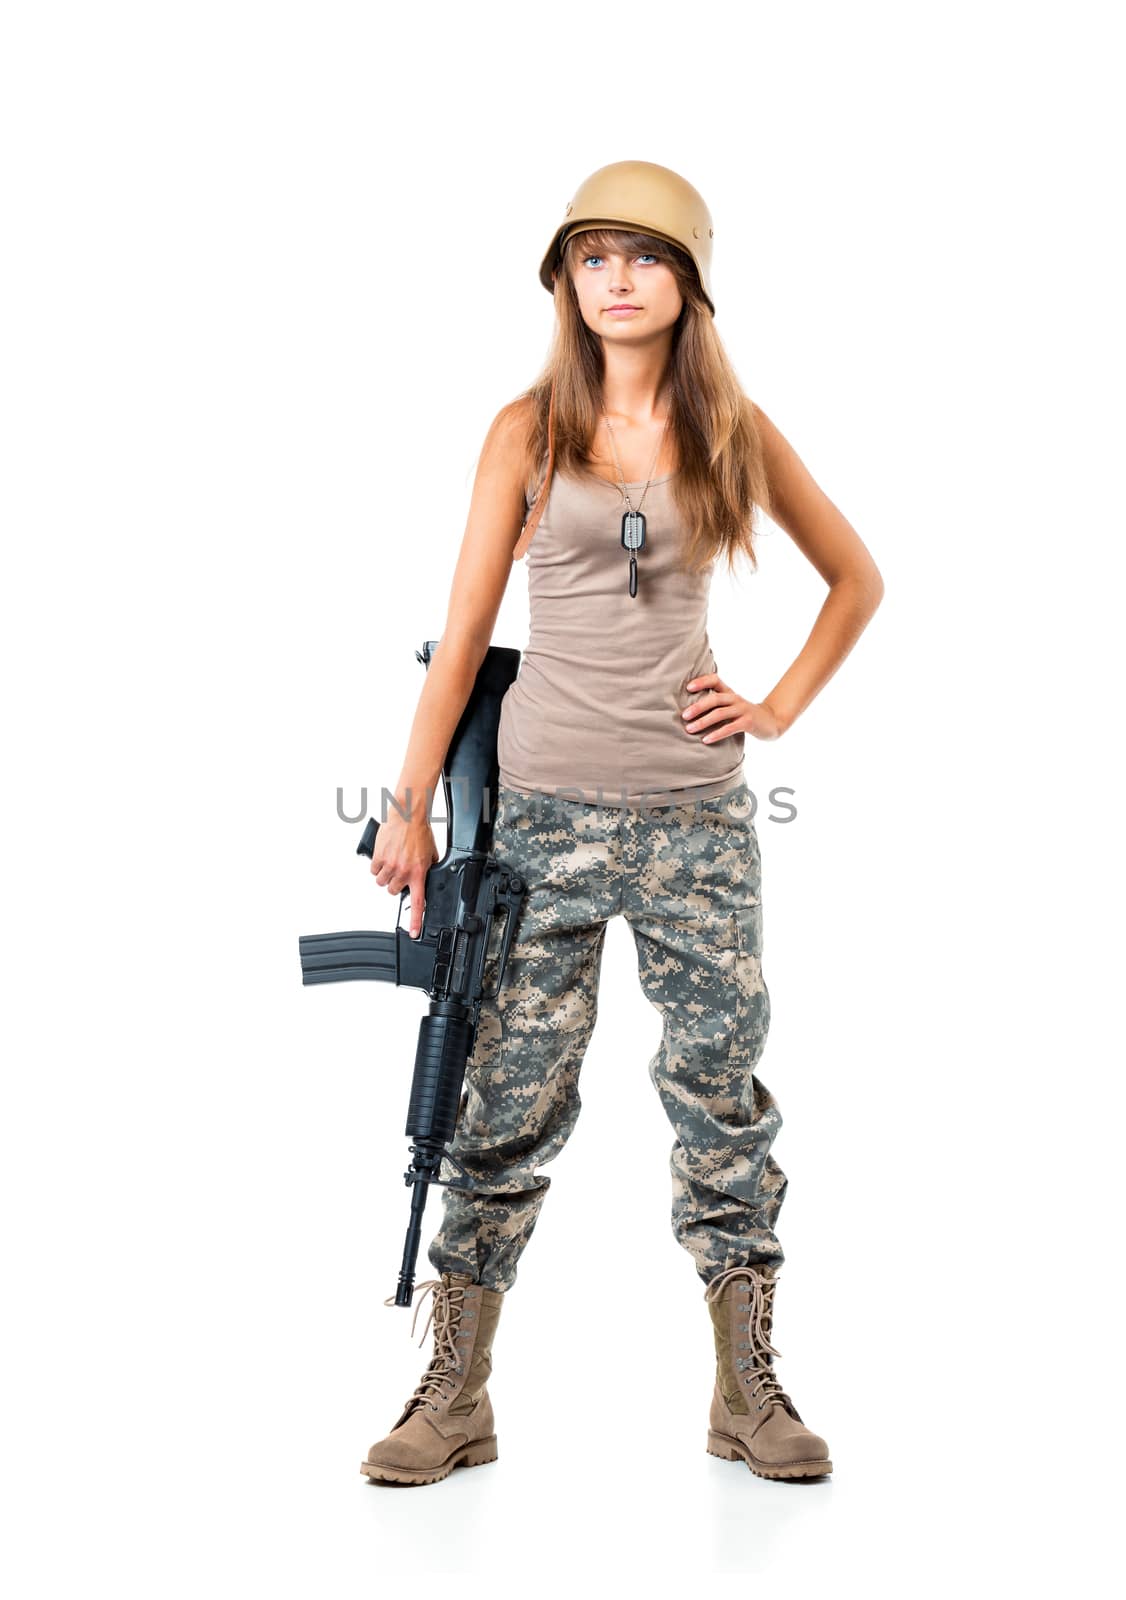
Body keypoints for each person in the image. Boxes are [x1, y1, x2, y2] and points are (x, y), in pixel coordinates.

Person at [360, 160, 884, 1487]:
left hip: (696, 824)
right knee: (499, 1110)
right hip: (536, 821)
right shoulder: (524, 431)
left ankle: (745, 1392)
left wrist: (770, 709)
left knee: (720, 1101)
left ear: (687, 282)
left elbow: (854, 578)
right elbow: (467, 632)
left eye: (641, 257)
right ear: (563, 283)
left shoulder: (732, 431)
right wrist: (408, 808)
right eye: (590, 257)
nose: (615, 279)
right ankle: (455, 1390)